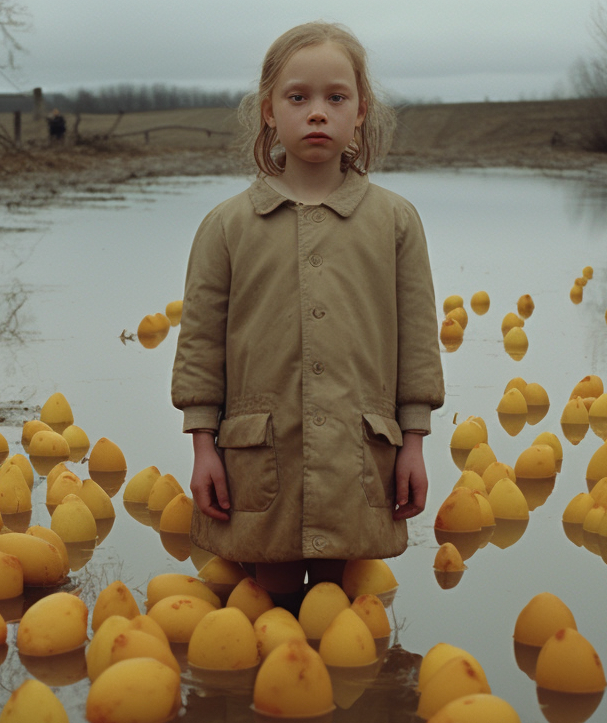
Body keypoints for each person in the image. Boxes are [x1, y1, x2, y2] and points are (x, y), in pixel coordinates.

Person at [171, 22, 445, 607]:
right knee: (266, 604)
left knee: (340, 609)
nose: (317, 112)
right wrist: (202, 446)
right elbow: (200, 344)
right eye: (298, 98)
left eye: (335, 98)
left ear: (361, 112)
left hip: (360, 453)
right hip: (259, 454)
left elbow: (419, 343)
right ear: (269, 111)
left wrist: (415, 443)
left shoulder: (396, 222)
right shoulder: (227, 225)